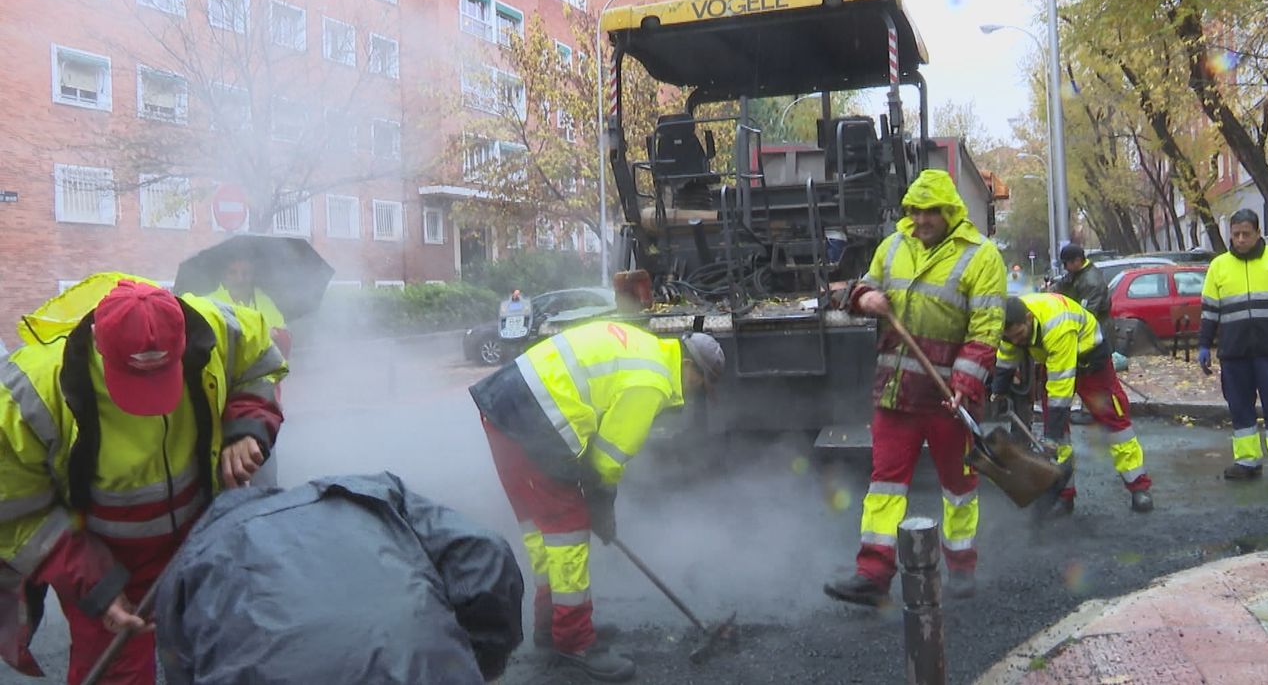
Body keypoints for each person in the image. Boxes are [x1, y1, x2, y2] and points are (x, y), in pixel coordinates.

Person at [0, 278, 287, 682]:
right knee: (118, 671)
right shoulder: (26, 396)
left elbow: (260, 364)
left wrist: (247, 426)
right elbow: (14, 514)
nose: (150, 406)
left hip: (199, 536)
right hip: (99, 555)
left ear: (184, 337)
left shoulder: (216, 327)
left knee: (218, 649)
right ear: (98, 339)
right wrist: (92, 582)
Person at [469, 321, 725, 682]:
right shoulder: (651, 383)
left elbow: (595, 450)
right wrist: (601, 507)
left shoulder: (648, 349)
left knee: (543, 531)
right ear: (690, 366)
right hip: (531, 424)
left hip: (508, 409)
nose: (698, 392)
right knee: (567, 531)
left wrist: (598, 501)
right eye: (703, 383)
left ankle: (551, 627)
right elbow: (606, 459)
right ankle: (573, 640)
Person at [823, 168, 1006, 607]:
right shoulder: (894, 245)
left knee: (958, 487)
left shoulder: (981, 257)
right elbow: (863, 286)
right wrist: (863, 296)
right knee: (885, 483)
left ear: (950, 212)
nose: (922, 220)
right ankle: (873, 573)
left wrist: (964, 382)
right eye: (915, 211)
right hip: (897, 391)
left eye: (931, 212)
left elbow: (985, 330)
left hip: (949, 398)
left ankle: (961, 567)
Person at [154, 473, 524, 685]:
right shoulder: (371, 491)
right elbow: (484, 551)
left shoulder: (192, 560)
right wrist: (477, 658)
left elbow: (179, 666)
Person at [992, 293, 1154, 516]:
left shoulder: (1056, 325)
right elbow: (1007, 355)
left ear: (1029, 318)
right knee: (1056, 430)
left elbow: (1061, 387)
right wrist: (998, 391)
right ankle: (1064, 494)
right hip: (1054, 359)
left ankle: (1138, 486)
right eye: (1012, 338)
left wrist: (1051, 435)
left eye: (1020, 335)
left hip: (1090, 362)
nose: (1018, 341)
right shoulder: (1012, 327)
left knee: (1115, 423)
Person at [1198, 208, 1268, 482]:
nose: (1240, 239)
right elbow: (1209, 311)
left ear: (1257, 234)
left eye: (1246, 234)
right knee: (1240, 406)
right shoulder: (1219, 266)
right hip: (1234, 352)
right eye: (1235, 234)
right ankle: (1247, 461)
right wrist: (1204, 345)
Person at [207, 257, 290, 357]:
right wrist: (263, 335)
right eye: (233, 273)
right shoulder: (210, 302)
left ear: (253, 277)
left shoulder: (262, 299)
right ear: (224, 276)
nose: (240, 279)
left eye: (246, 273)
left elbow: (282, 333)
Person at [1051, 244, 1112, 339]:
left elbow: (1086, 314)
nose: (1065, 268)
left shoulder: (1091, 282)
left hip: (1097, 333)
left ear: (1077, 261)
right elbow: (1063, 285)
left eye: (1066, 264)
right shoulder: (1076, 273)